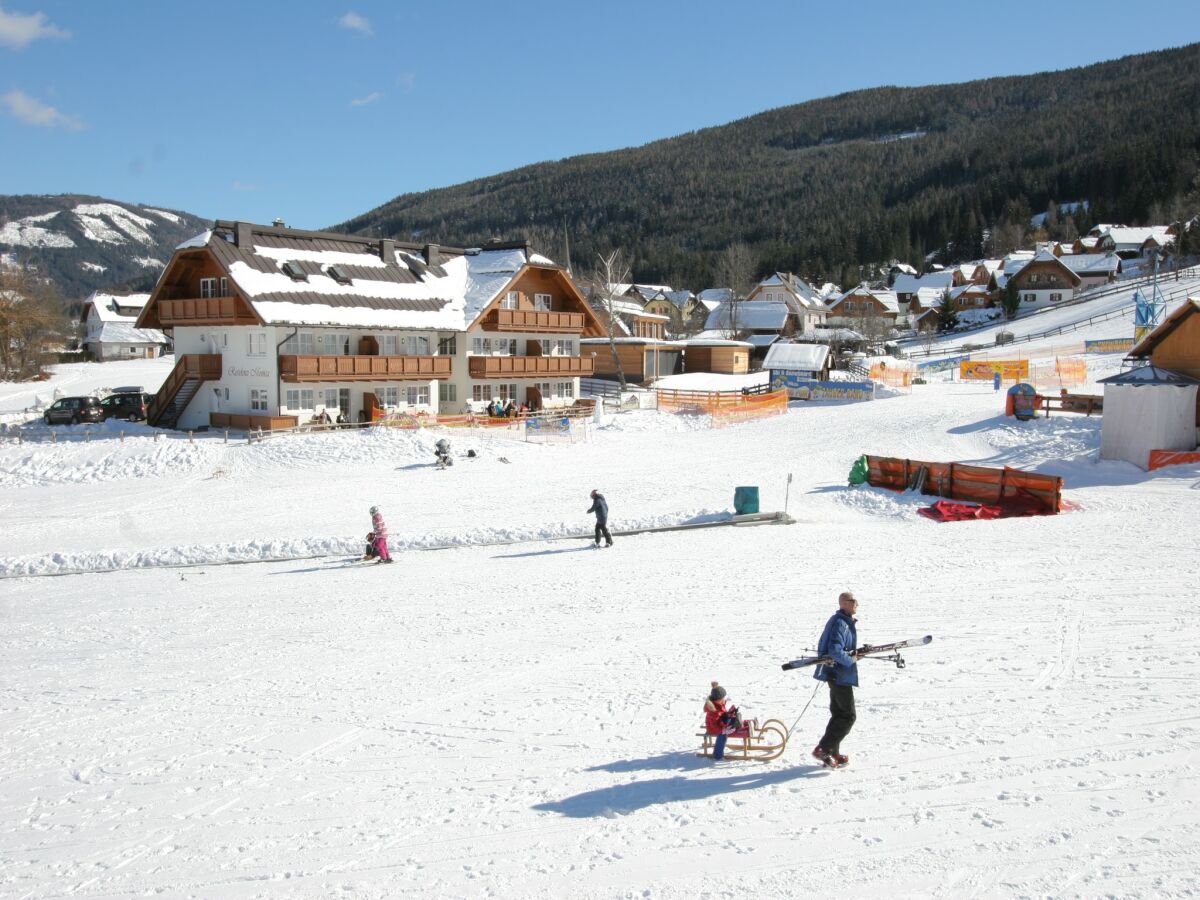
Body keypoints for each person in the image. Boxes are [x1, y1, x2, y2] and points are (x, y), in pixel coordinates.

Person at [811, 591, 860, 768]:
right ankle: (824, 748)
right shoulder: (840, 623)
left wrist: (853, 654)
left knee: (839, 714)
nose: (857, 604)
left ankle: (832, 753)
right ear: (844, 603)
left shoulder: (843, 622)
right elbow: (835, 650)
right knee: (848, 716)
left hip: (836, 674)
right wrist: (851, 659)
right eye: (853, 601)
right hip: (839, 675)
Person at [704, 682, 732, 761]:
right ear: (717, 700)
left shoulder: (719, 704)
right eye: (722, 699)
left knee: (732, 722)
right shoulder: (713, 711)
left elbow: (721, 714)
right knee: (722, 736)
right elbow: (713, 726)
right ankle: (718, 755)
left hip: (719, 724)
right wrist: (722, 731)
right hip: (713, 728)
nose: (724, 700)